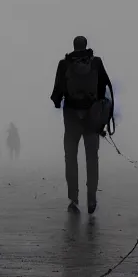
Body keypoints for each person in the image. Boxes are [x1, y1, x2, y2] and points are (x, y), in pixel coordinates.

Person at [50, 35, 112, 215]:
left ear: (73, 46)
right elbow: (105, 87)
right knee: (92, 158)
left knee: (71, 158)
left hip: (71, 118)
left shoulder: (64, 64)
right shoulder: (97, 63)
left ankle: (73, 198)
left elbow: (56, 93)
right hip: (92, 117)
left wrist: (59, 101)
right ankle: (91, 197)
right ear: (86, 45)